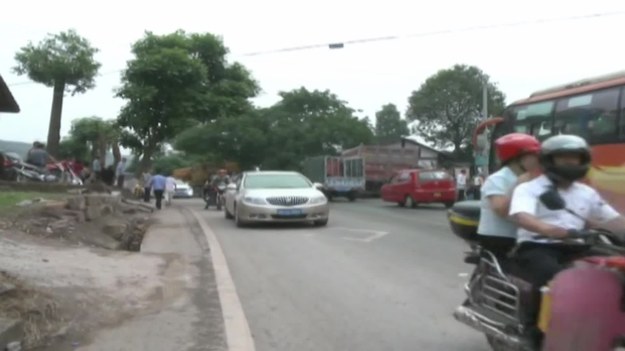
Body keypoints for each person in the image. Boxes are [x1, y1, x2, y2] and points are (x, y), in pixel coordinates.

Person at [509, 134, 625, 330]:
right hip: (538, 246)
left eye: (575, 157)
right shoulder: (529, 189)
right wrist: (550, 230)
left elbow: (614, 219)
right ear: (549, 160)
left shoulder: (586, 192)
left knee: (617, 273)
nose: (570, 161)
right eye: (563, 157)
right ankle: (532, 329)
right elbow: (522, 216)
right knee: (555, 278)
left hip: (579, 246)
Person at [476, 133, 542, 258]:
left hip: (529, 237)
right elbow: (502, 211)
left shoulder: (534, 178)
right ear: (518, 158)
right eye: (534, 155)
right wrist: (518, 185)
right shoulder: (497, 179)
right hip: (500, 239)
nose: (539, 159)